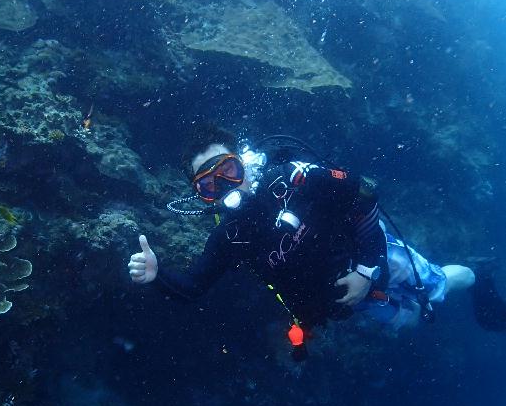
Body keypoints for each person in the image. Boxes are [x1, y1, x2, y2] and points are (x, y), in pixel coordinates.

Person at [126, 125, 479, 357]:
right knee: (413, 319)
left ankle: (479, 277)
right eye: (209, 185)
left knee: (437, 288)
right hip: (347, 300)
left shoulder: (293, 180)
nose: (225, 187)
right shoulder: (229, 237)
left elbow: (364, 194)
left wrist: (366, 270)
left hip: (373, 254)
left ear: (243, 162)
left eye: (228, 171)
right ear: (202, 196)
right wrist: (156, 276)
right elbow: (192, 287)